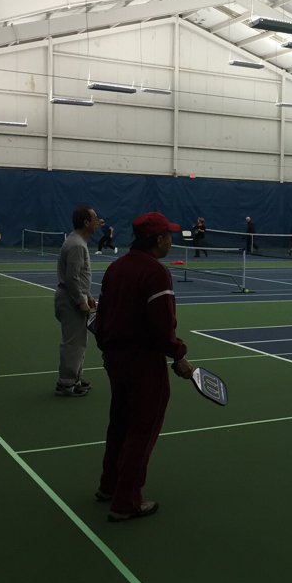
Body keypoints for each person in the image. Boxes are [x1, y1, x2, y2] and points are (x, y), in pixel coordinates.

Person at [93, 212, 194, 522]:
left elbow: (102, 314)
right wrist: (178, 356)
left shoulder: (115, 267)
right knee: (142, 429)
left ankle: (109, 485)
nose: (171, 240)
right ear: (158, 240)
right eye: (168, 235)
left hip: (114, 359)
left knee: (119, 422)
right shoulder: (156, 273)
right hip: (143, 364)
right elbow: (163, 325)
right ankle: (127, 501)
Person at [54, 205, 99, 397]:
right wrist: (81, 300)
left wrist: (87, 296)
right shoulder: (77, 245)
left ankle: (74, 378)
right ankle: (66, 383)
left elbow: (78, 276)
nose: (98, 221)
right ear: (86, 222)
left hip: (73, 297)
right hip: (70, 299)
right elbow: (72, 277)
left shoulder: (78, 242)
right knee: (73, 343)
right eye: (95, 218)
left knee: (79, 341)